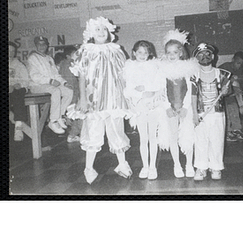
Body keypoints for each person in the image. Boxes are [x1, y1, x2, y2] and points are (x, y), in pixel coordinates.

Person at [68, 16, 132, 184]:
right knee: (93, 130)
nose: (101, 32)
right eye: (98, 30)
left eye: (104, 29)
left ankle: (122, 164)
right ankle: (88, 167)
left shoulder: (117, 49)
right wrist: (82, 98)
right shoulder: (86, 50)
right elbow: (81, 75)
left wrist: (127, 94)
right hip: (93, 98)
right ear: (91, 33)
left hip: (115, 97)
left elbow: (124, 74)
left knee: (117, 129)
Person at [159, 29, 200, 178]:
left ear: (180, 53)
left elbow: (190, 89)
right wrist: (166, 107)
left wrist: (186, 107)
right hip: (170, 107)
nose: (171, 55)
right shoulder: (162, 69)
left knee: (188, 135)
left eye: (174, 52)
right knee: (173, 135)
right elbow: (161, 89)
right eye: (168, 52)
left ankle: (189, 164)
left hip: (185, 107)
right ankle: (177, 164)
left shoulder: (188, 68)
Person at [123, 40, 164, 180]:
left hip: (152, 105)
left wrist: (147, 90)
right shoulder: (129, 67)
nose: (142, 55)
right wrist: (140, 94)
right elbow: (127, 90)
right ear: (134, 53)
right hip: (139, 105)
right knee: (143, 138)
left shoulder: (154, 66)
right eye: (139, 52)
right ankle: (145, 166)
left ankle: (152, 166)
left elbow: (159, 86)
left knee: (153, 137)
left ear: (149, 54)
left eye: (145, 52)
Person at [191, 43, 231, 181]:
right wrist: (195, 115)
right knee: (200, 140)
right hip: (201, 114)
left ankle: (216, 167)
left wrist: (226, 91)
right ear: (196, 58)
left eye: (208, 54)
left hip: (217, 114)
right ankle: (201, 167)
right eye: (200, 55)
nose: (204, 57)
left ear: (213, 56)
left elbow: (228, 91)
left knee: (217, 140)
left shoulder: (221, 74)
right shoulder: (194, 76)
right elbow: (193, 96)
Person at [27, 36, 73, 135]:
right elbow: (34, 76)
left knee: (69, 91)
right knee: (55, 91)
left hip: (48, 84)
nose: (42, 46)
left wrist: (64, 83)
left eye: (44, 44)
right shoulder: (33, 58)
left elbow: (56, 75)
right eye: (39, 44)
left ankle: (59, 115)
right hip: (36, 85)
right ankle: (53, 121)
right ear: (36, 45)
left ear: (47, 45)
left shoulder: (49, 58)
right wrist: (50, 81)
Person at [218, 51, 243, 141]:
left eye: (242, 64)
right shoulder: (224, 67)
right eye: (238, 63)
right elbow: (218, 80)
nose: (239, 66)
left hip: (233, 95)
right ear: (233, 59)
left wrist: (239, 88)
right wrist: (230, 82)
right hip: (224, 95)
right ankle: (227, 131)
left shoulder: (240, 70)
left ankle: (237, 129)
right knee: (227, 112)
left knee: (235, 111)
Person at [54, 46, 82, 143]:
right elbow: (70, 84)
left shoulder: (67, 64)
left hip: (73, 95)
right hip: (73, 95)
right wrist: (76, 98)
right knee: (76, 117)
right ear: (68, 56)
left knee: (75, 117)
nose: (77, 55)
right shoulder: (68, 65)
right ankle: (72, 135)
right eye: (75, 54)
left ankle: (73, 134)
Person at [9, 41, 30, 141]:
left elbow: (26, 80)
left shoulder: (19, 64)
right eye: (8, 50)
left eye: (13, 51)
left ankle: (18, 128)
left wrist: (20, 84)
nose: (10, 53)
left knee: (18, 93)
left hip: (16, 90)